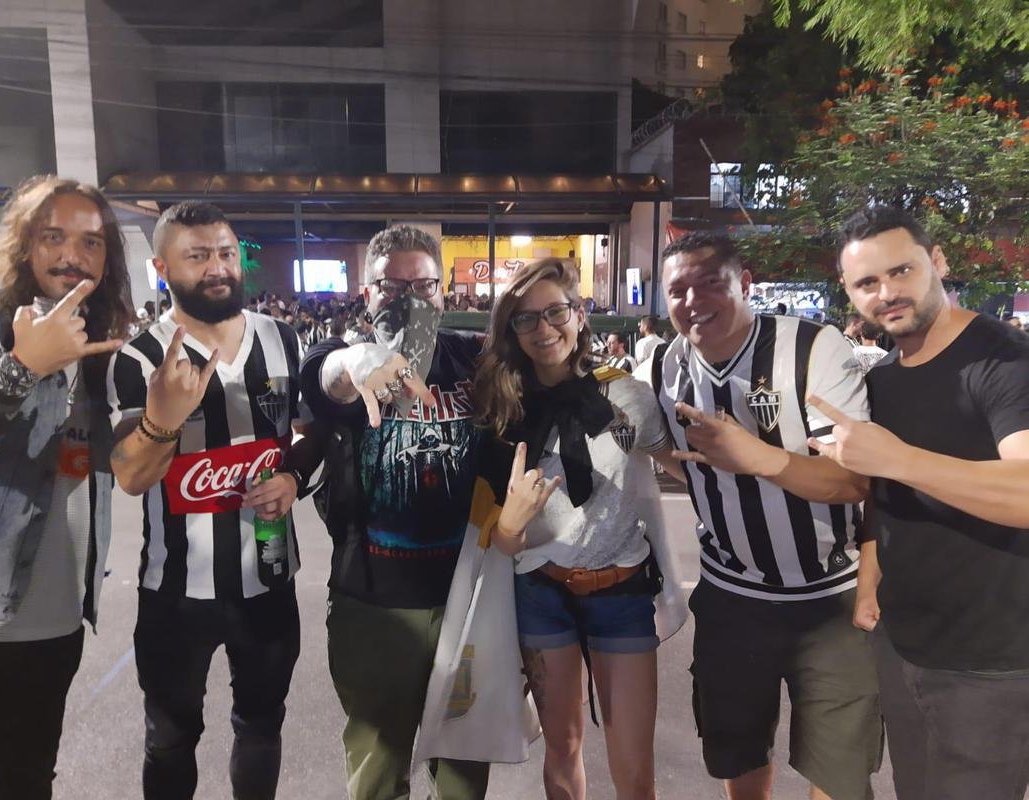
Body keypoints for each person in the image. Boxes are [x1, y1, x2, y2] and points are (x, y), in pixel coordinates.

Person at [651, 231, 882, 800]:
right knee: (739, 749)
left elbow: (855, 481)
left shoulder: (814, 348)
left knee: (840, 770)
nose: (693, 298)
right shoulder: (668, 366)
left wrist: (759, 458)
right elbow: (689, 466)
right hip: (732, 598)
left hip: (830, 600)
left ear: (745, 283)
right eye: (677, 289)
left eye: (710, 281)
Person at [812, 206, 1029, 800]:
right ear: (850, 293)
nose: (888, 293)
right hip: (902, 642)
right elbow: (887, 498)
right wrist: (868, 577)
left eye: (901, 271)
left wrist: (894, 458)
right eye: (867, 283)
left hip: (990, 661)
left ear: (937, 262)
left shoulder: (1004, 362)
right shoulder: (883, 377)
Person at [108, 202, 320, 800]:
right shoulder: (139, 358)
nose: (217, 268)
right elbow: (129, 476)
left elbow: (305, 434)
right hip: (175, 592)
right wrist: (161, 419)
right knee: (171, 738)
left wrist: (294, 479)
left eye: (225, 253)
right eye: (196, 256)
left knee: (261, 726)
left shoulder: (280, 337)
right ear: (162, 267)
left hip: (271, 576)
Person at [473, 258, 686, 800]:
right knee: (562, 748)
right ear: (511, 332)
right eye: (526, 320)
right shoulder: (503, 409)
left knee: (634, 765)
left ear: (579, 313)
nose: (544, 330)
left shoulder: (628, 396)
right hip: (541, 590)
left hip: (622, 589)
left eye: (555, 312)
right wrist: (512, 527)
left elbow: (679, 466)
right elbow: (501, 539)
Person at [300, 225, 489, 800]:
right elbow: (326, 380)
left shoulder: (473, 358)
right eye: (392, 286)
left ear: (442, 289)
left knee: (461, 771)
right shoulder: (340, 355)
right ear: (367, 291)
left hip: (468, 602)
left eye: (423, 284)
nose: (409, 297)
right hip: (374, 600)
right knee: (377, 770)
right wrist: (358, 360)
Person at [0, 175, 133, 798]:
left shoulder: (101, 344)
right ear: (25, 247)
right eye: (53, 237)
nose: (72, 255)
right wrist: (22, 366)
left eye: (91, 243)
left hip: (55, 620)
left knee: (27, 782)